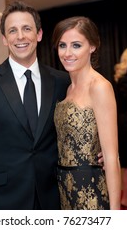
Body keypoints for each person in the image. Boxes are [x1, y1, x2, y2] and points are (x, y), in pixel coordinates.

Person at [0, 1, 103, 210]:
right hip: (1, 202)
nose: (20, 36)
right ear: (4, 39)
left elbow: (81, 124)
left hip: (53, 198)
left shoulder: (62, 81)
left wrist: (103, 153)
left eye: (27, 29)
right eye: (12, 31)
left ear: (39, 34)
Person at [52, 16, 121, 210]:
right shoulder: (67, 88)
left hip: (91, 191)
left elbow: (111, 157)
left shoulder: (100, 87)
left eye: (76, 45)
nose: (67, 53)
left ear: (92, 46)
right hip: (65, 189)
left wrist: (115, 216)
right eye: (62, 45)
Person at [114, 48, 127, 208]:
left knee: (124, 165)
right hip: (125, 123)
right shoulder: (124, 80)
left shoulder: (119, 78)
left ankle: (123, 198)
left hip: (121, 123)